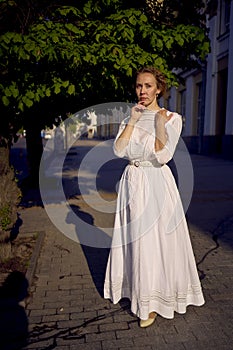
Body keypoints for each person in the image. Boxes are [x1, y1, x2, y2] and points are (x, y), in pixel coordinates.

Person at [104, 66, 205, 328]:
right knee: (134, 240)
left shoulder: (172, 117)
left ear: (159, 88)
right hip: (131, 181)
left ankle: (150, 304)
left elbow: (163, 156)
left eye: (148, 86)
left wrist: (159, 124)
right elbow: (118, 150)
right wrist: (134, 121)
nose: (142, 91)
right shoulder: (131, 117)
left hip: (156, 182)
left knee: (152, 242)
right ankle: (135, 291)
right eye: (139, 86)